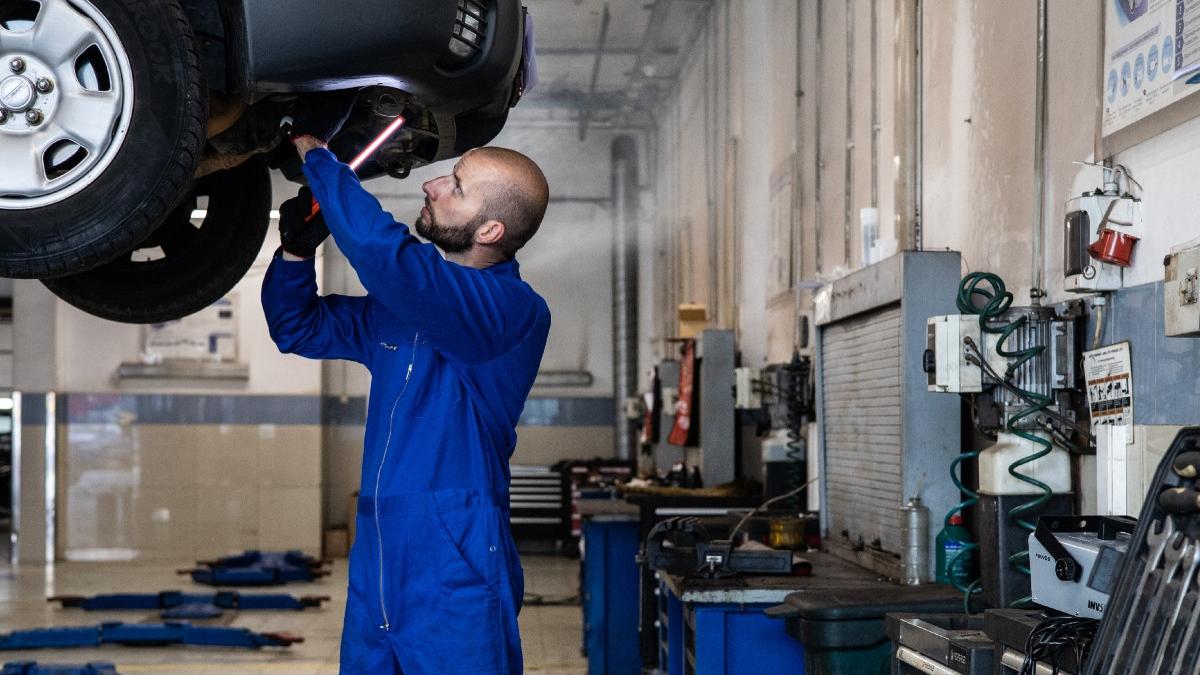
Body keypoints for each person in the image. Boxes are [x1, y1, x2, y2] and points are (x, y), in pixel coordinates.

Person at [261, 123, 551, 673]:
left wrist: (318, 159)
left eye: (456, 186)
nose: (433, 185)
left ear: (490, 229)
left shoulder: (513, 311)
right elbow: (297, 328)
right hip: (378, 546)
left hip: (454, 547)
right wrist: (295, 255)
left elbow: (387, 257)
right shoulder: (402, 309)